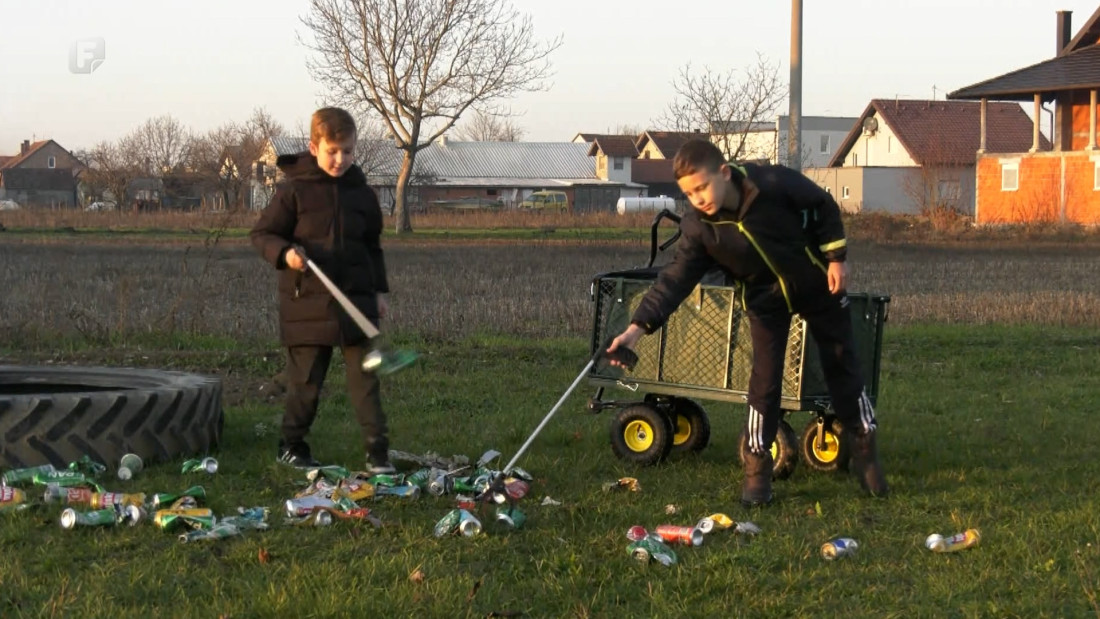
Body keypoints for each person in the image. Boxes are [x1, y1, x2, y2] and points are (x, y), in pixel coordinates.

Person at [606, 139, 887, 506]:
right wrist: (634, 329)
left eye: (702, 187)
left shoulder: (770, 182)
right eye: (688, 193)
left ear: (723, 173)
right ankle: (757, 474)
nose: (698, 199)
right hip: (764, 301)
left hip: (817, 284)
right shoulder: (699, 228)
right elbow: (673, 281)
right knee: (765, 385)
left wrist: (836, 257)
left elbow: (823, 204)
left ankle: (865, 453)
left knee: (842, 367)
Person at [250, 106, 395, 474]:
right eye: (333, 151)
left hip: (355, 302)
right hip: (307, 304)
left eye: (348, 151)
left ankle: (378, 452)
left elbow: (372, 246)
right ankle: (292, 445)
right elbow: (262, 235)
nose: (340, 159)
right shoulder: (293, 190)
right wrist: (285, 254)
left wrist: (378, 291)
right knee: (307, 382)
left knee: (365, 382)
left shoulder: (362, 194)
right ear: (314, 148)